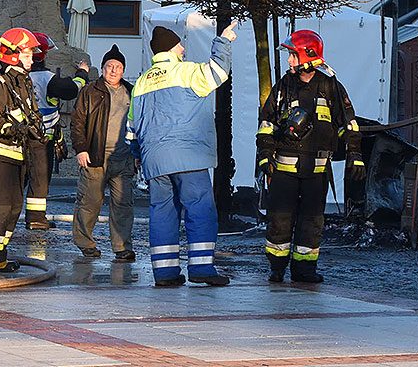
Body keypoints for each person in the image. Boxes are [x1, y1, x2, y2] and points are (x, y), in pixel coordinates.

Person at [129, 23, 237, 287]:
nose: (184, 48)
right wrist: (223, 40)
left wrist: (140, 154)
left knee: (162, 213)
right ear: (171, 48)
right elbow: (218, 71)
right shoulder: (187, 72)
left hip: (155, 161)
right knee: (199, 209)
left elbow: (131, 130)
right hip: (188, 156)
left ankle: (165, 273)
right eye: (180, 45)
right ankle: (201, 268)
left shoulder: (141, 83)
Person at [256, 30, 365, 284]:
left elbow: (349, 123)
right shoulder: (283, 87)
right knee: (279, 220)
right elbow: (267, 124)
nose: (289, 60)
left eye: (293, 55)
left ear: (308, 56)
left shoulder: (330, 87)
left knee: (312, 222)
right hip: (284, 171)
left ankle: (304, 270)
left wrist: (355, 154)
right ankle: (277, 267)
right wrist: (265, 156)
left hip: (317, 171)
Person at [0, 27, 44, 272]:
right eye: (27, 54)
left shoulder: (22, 82)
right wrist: (10, 128)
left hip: (17, 157)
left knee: (13, 208)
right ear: (13, 55)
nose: (31, 59)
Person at [70, 45, 136, 261]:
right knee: (90, 202)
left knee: (123, 205)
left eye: (118, 67)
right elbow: (77, 122)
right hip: (94, 157)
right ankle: (85, 243)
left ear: (123, 70)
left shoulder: (132, 92)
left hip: (123, 158)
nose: (114, 70)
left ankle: (122, 247)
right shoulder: (90, 91)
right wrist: (81, 149)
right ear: (102, 68)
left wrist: (137, 154)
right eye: (109, 66)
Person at [23, 32, 89, 230]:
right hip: (43, 138)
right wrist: (82, 73)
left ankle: (9, 217)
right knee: (40, 178)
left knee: (19, 178)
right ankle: (36, 218)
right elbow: (72, 89)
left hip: (19, 137)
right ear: (43, 55)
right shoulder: (48, 78)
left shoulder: (18, 77)